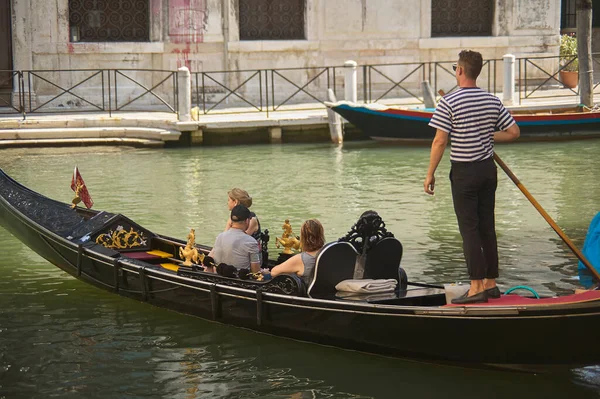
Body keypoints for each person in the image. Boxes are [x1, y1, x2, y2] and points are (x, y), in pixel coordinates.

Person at [424, 50, 520, 304]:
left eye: (456, 67)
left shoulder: (449, 102)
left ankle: (477, 286)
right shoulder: (492, 100)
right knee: (487, 226)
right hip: (488, 171)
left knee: (469, 230)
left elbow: (439, 141)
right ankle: (491, 282)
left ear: (460, 70)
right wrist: (488, 136)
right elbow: (513, 132)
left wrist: (430, 174)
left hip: (465, 173)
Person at [269, 219, 325, 286]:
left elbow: (274, 272)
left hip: (308, 294)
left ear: (303, 237)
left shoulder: (301, 259)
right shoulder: (327, 252)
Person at [209, 204, 261, 273]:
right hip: (239, 282)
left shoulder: (219, 237)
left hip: (218, 278)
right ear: (247, 221)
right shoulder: (251, 242)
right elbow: (256, 272)